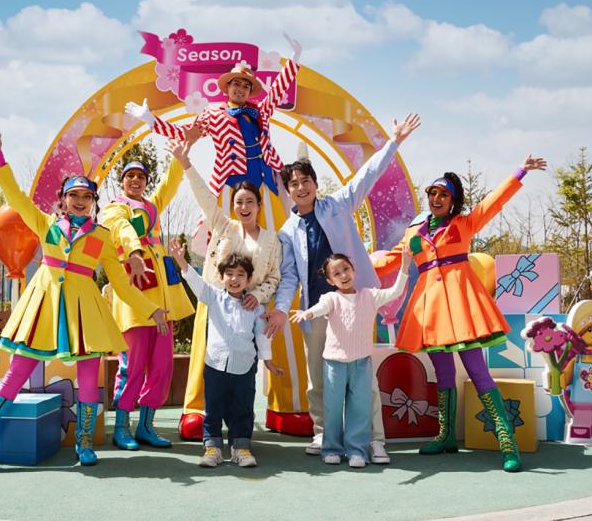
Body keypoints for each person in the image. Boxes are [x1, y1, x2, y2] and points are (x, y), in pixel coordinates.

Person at [0, 128, 168, 473]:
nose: (80, 201)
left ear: (93, 202)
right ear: (63, 199)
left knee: (88, 377)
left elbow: (122, 286)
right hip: (42, 311)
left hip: (85, 316)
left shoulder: (103, 238)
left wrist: (151, 310)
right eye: (73, 195)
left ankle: (83, 443)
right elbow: (15, 196)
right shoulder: (46, 224)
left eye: (86, 196)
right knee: (14, 375)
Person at [125, 35, 311, 436]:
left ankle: (290, 402)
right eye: (235, 84)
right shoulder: (212, 114)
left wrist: (294, 60)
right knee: (214, 288)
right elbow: (184, 134)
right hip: (228, 195)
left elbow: (279, 90)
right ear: (225, 88)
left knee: (282, 278)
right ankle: (198, 404)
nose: (240, 88)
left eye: (245, 84)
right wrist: (148, 120)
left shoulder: (260, 111)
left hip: (267, 193)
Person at [373, 155, 548, 473]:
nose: (437, 199)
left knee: (478, 371)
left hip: (462, 308)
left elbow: (493, 203)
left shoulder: (463, 224)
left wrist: (520, 172)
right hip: (431, 310)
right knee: (443, 374)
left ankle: (507, 442)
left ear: (452, 201)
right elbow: (389, 262)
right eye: (433, 193)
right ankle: (445, 436)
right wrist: (351, 265)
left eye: (444, 194)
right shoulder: (414, 234)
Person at [267, 113, 421, 463]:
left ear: (314, 184)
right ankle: (324, 433)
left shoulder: (337, 205)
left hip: (354, 305)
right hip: (317, 310)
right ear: (287, 191)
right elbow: (289, 277)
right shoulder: (287, 232)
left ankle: (374, 439)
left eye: (306, 181)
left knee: (363, 378)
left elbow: (367, 175)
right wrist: (281, 308)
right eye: (294, 184)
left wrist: (394, 142)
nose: (301, 188)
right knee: (319, 378)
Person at [168, 131, 282, 440]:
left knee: (244, 371)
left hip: (250, 312)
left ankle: (240, 432)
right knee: (210, 363)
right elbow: (205, 197)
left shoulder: (271, 239)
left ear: (259, 205)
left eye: (249, 202)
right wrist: (186, 163)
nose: (244, 207)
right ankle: (201, 417)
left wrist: (257, 295)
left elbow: (274, 277)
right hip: (216, 305)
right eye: (239, 202)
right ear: (233, 206)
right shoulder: (224, 226)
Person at [104, 153, 195, 450]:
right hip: (135, 299)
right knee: (132, 365)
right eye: (130, 175)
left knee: (162, 365)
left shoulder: (151, 207)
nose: (136, 180)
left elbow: (169, 184)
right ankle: (122, 427)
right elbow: (122, 229)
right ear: (122, 181)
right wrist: (134, 252)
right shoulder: (115, 208)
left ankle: (146, 426)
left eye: (141, 176)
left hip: (162, 301)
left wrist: (180, 156)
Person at [290, 246, 411, 467]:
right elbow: (320, 307)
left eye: (346, 269)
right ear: (330, 280)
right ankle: (332, 449)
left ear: (353, 269)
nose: (343, 275)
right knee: (333, 408)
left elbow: (395, 291)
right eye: (336, 273)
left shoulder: (370, 295)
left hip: (361, 363)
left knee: (360, 408)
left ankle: (357, 451)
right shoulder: (331, 298)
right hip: (334, 364)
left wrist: (404, 268)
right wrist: (308, 313)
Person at [169, 240, 284, 468]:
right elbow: (196, 283)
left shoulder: (255, 306)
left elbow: (261, 335)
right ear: (221, 277)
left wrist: (268, 361)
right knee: (213, 408)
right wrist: (182, 262)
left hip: (244, 367)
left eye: (240, 274)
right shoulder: (213, 297)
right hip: (215, 366)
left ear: (248, 279)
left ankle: (241, 448)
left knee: (243, 408)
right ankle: (212, 448)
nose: (234, 279)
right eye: (229, 274)